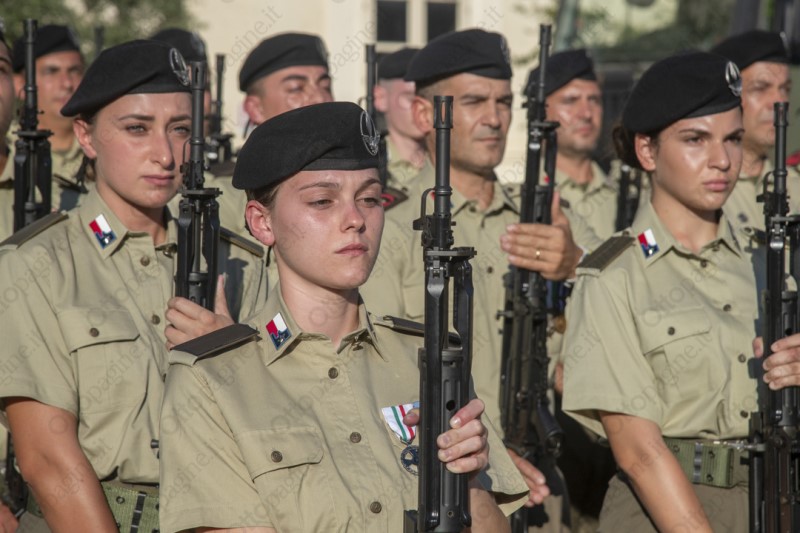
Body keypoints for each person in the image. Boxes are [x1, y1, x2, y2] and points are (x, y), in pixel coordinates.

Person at [158, 101, 529, 532]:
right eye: (322, 201)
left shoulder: (427, 359)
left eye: (370, 199)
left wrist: (469, 480)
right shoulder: (212, 379)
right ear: (262, 223)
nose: (355, 220)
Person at [0, 39, 268, 532]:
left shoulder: (238, 263)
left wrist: (236, 364)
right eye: (137, 129)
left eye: (180, 129)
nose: (164, 155)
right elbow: (48, 460)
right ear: (86, 136)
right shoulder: (36, 265)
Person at [362, 28, 603, 531]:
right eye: (474, 102)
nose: (495, 118)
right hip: (439, 485)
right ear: (424, 115)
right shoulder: (391, 226)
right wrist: (486, 454)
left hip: (542, 481)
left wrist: (575, 268)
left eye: (504, 102)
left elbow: (618, 309)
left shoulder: (545, 219)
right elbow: (376, 373)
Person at [560, 51, 775, 532]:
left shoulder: (768, 265)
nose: (722, 160)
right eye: (695, 139)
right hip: (665, 507)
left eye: (733, 138)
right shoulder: (614, 275)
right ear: (647, 151)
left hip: (771, 494)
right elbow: (638, 452)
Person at [711, 30, 798, 229]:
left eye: (785, 89)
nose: (779, 102)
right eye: (760, 88)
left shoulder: (794, 187)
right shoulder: (700, 191)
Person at [526, 49, 617, 240]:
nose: (586, 114)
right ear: (541, 113)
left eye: (594, 100)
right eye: (570, 101)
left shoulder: (627, 190)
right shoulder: (526, 197)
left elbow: (650, 251)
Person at [12, 24, 87, 209]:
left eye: (74, 71)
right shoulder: (7, 151)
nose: (67, 83)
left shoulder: (100, 148)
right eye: (51, 71)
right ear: (20, 84)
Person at [373, 47, 428, 198]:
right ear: (381, 98)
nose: (422, 108)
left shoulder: (451, 163)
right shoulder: (368, 165)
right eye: (411, 99)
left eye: (429, 99)